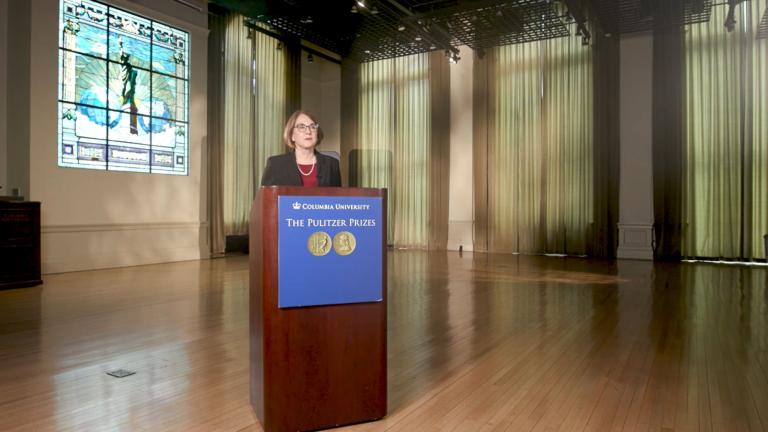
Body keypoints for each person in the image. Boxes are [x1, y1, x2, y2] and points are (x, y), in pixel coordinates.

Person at [261, 110, 341, 187]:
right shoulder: (276, 165)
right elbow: (265, 199)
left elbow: (337, 198)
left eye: (312, 127)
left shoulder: (332, 164)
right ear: (292, 135)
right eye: (301, 127)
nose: (308, 132)